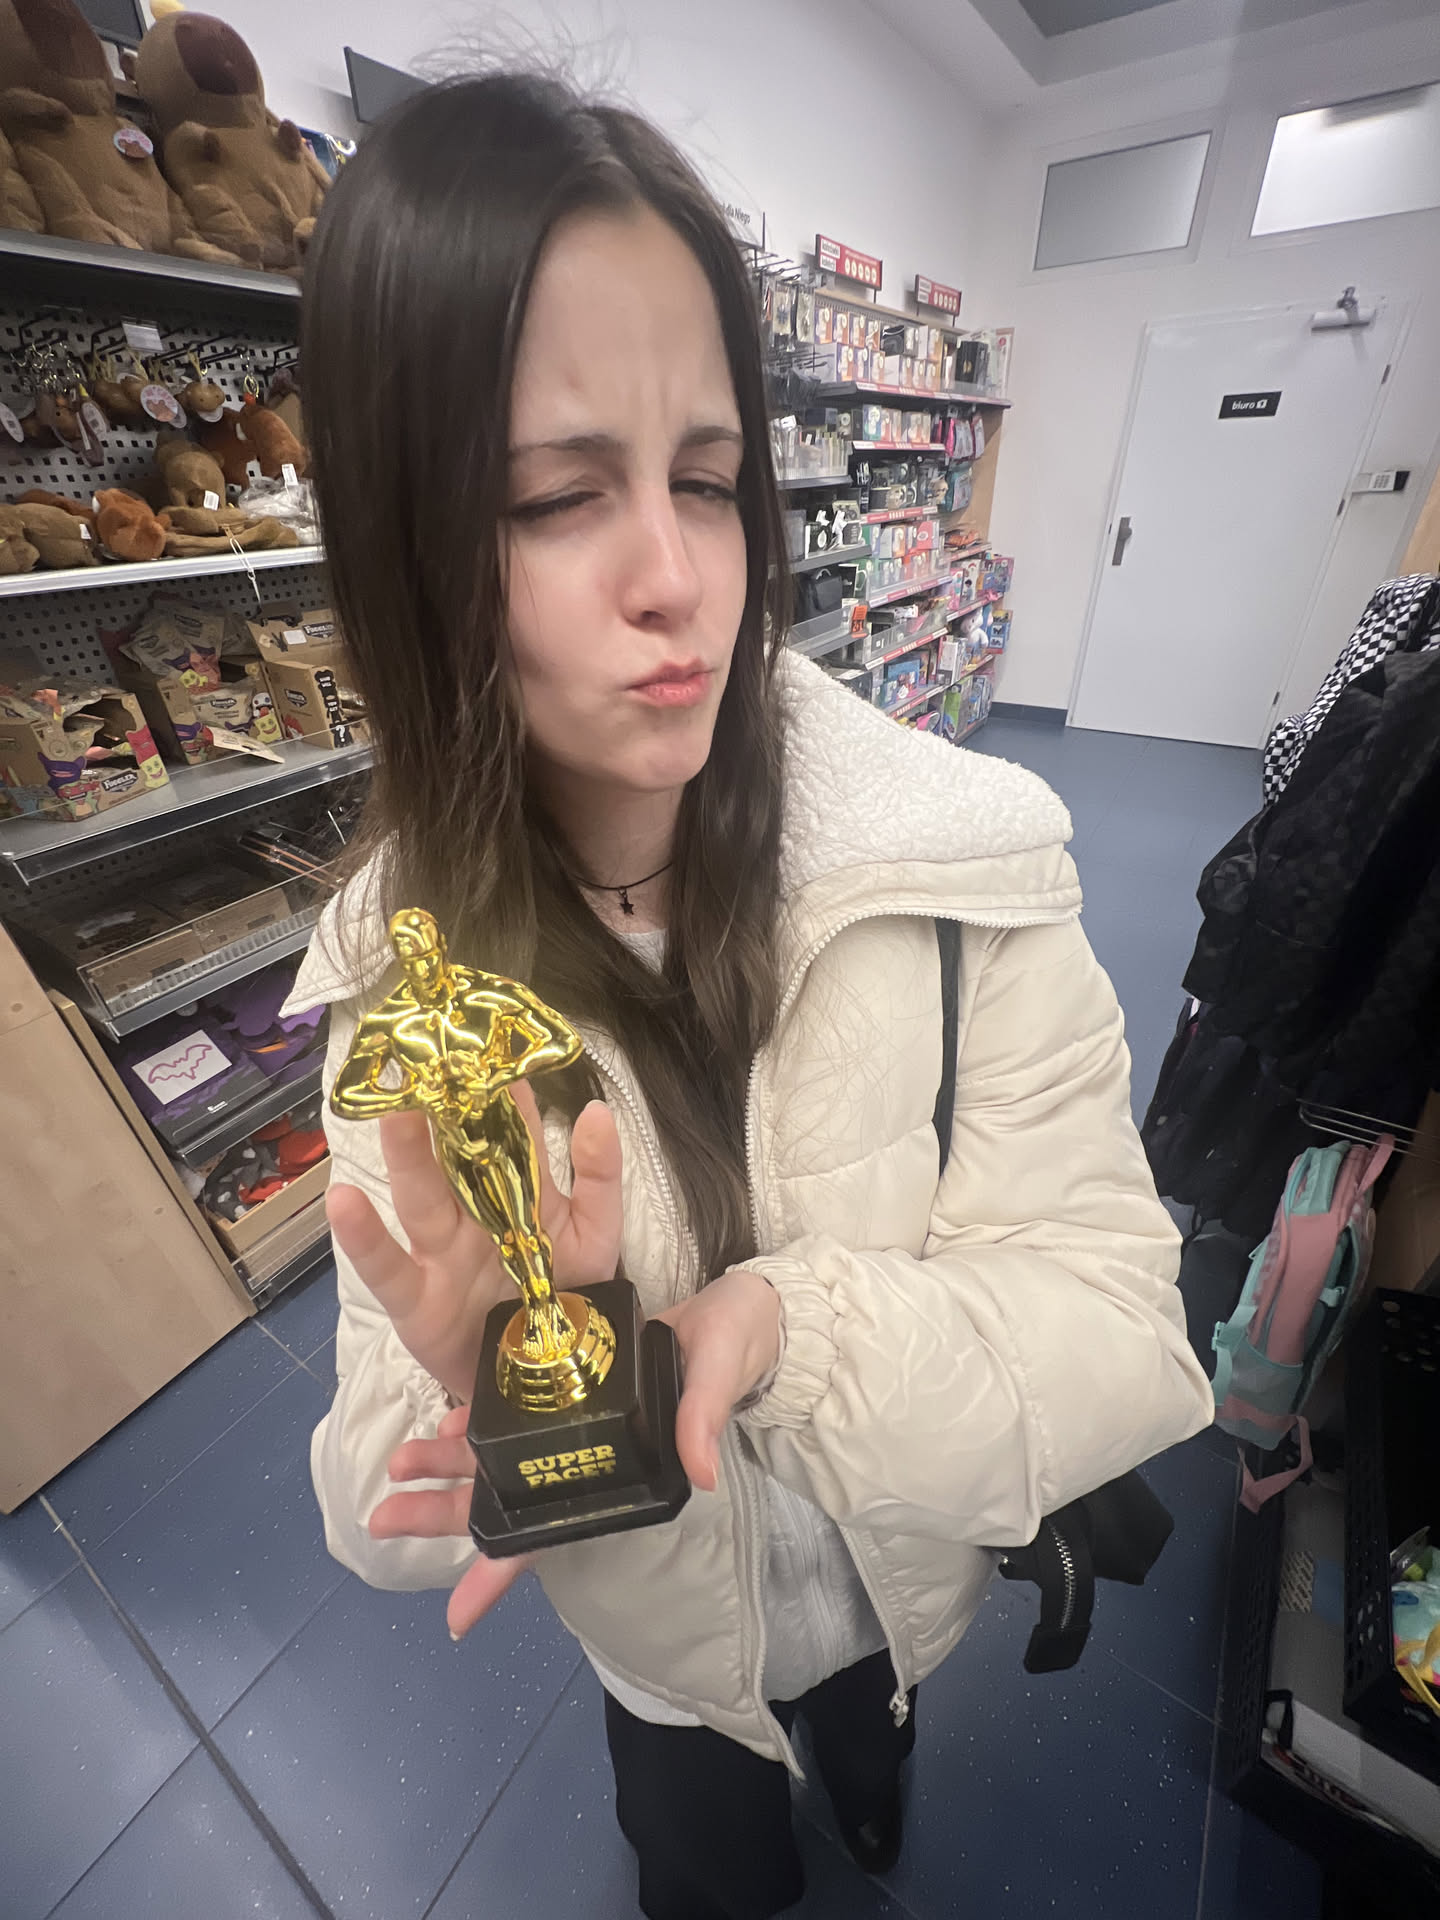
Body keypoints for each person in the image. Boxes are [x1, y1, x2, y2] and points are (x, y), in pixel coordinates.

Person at [284, 70, 1213, 1920]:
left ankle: (865, 1782)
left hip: (906, 1573)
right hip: (662, 1654)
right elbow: (374, 1508)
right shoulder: (407, 991)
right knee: (700, 1853)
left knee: (872, 1757)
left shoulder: (968, 866)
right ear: (406, 545)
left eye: (708, 480)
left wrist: (785, 1329)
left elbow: (1129, 1334)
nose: (678, 578)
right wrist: (479, 1406)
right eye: (558, 496)